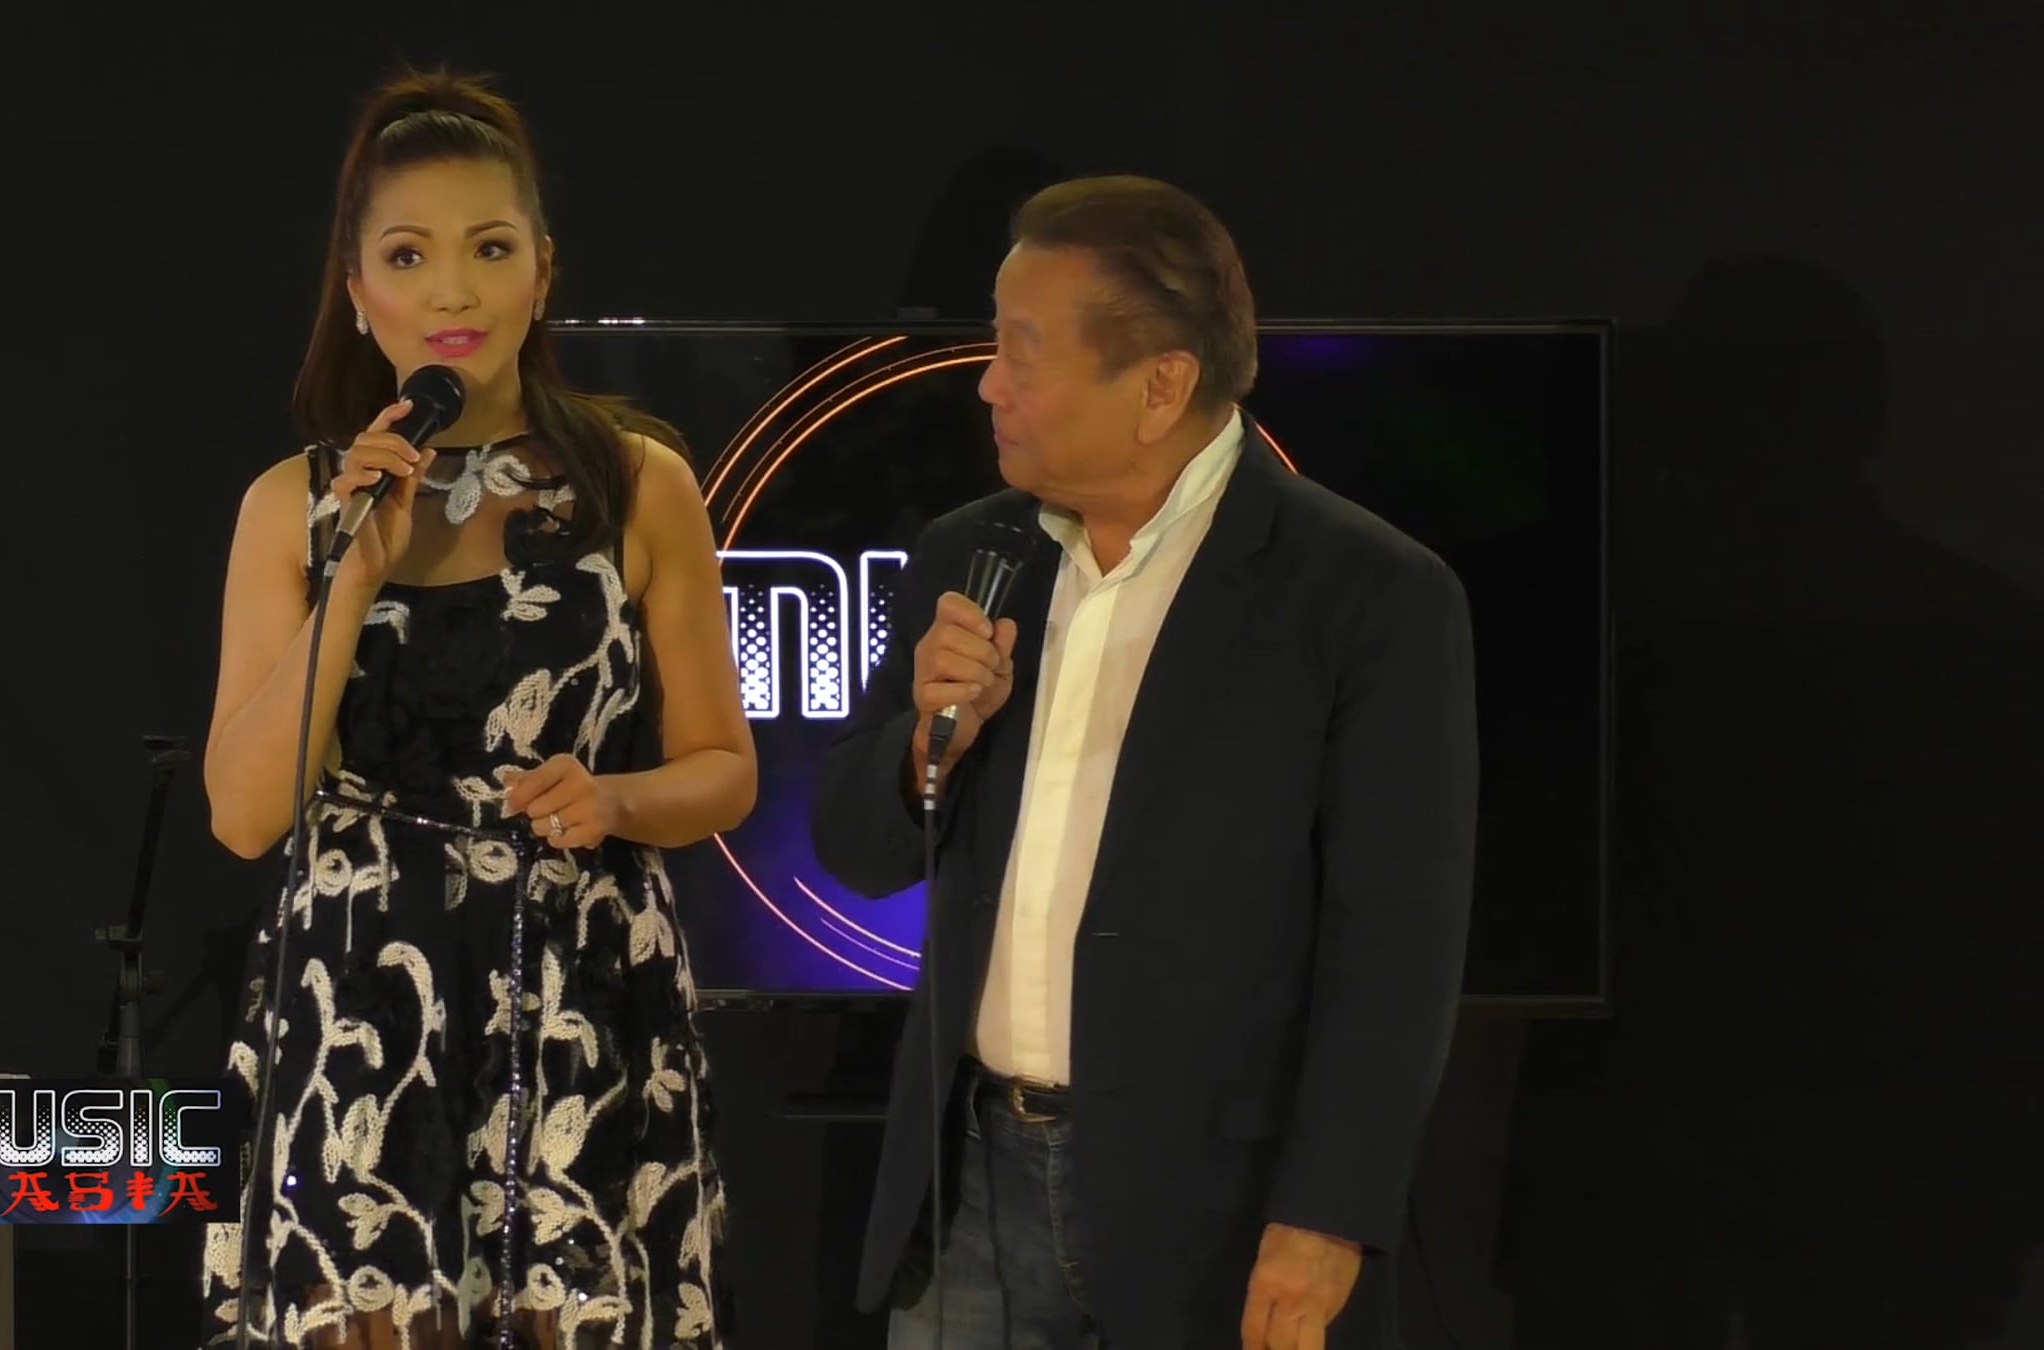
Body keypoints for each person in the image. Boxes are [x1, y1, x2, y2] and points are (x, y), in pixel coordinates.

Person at [812, 175, 1479, 1349]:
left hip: (1216, 1214)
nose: (987, 384)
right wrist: (929, 744)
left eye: (1021, 351)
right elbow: (856, 850)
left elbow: (1397, 949)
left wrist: (1328, 1216)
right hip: (967, 1192)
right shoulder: (970, 554)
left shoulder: (1366, 594)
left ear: (1161, 384)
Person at [198, 66, 753, 1349]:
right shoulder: (294, 505)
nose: (452, 292)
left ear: (542, 274)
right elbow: (242, 814)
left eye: (489, 249)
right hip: (361, 999)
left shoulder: (637, 481)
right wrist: (352, 577)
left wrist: (617, 799)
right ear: (357, 292)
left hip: (578, 992)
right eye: (409, 256)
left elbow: (723, 768)